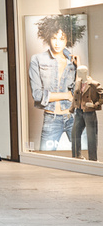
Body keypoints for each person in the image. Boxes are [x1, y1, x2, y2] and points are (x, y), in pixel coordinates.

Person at [28, 15, 84, 151]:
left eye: (62, 38)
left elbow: (80, 92)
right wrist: (66, 95)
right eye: (54, 38)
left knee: (84, 157)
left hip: (74, 117)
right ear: (48, 37)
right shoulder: (37, 59)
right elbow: (37, 95)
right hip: (51, 119)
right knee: (45, 160)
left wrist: (79, 67)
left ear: (68, 40)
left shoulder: (72, 61)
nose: (57, 43)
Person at [71, 65, 102, 161]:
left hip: (89, 112)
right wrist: (71, 108)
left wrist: (94, 105)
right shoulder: (77, 83)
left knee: (91, 136)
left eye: (80, 71)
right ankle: (76, 156)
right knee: (75, 133)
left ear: (85, 72)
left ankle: (92, 159)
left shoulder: (94, 84)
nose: (78, 73)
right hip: (79, 111)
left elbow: (102, 96)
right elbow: (75, 97)